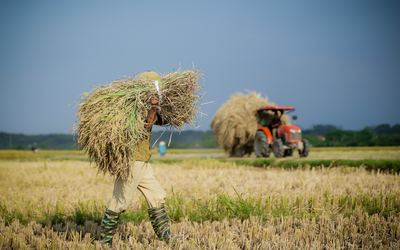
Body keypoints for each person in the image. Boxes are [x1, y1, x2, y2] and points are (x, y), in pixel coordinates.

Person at [100, 71, 189, 246]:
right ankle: (105, 241)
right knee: (120, 201)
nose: (158, 93)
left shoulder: (150, 107)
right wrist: (151, 109)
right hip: (132, 162)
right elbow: (142, 127)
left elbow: (162, 120)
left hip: (143, 161)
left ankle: (166, 237)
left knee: (157, 196)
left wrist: (177, 109)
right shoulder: (132, 107)